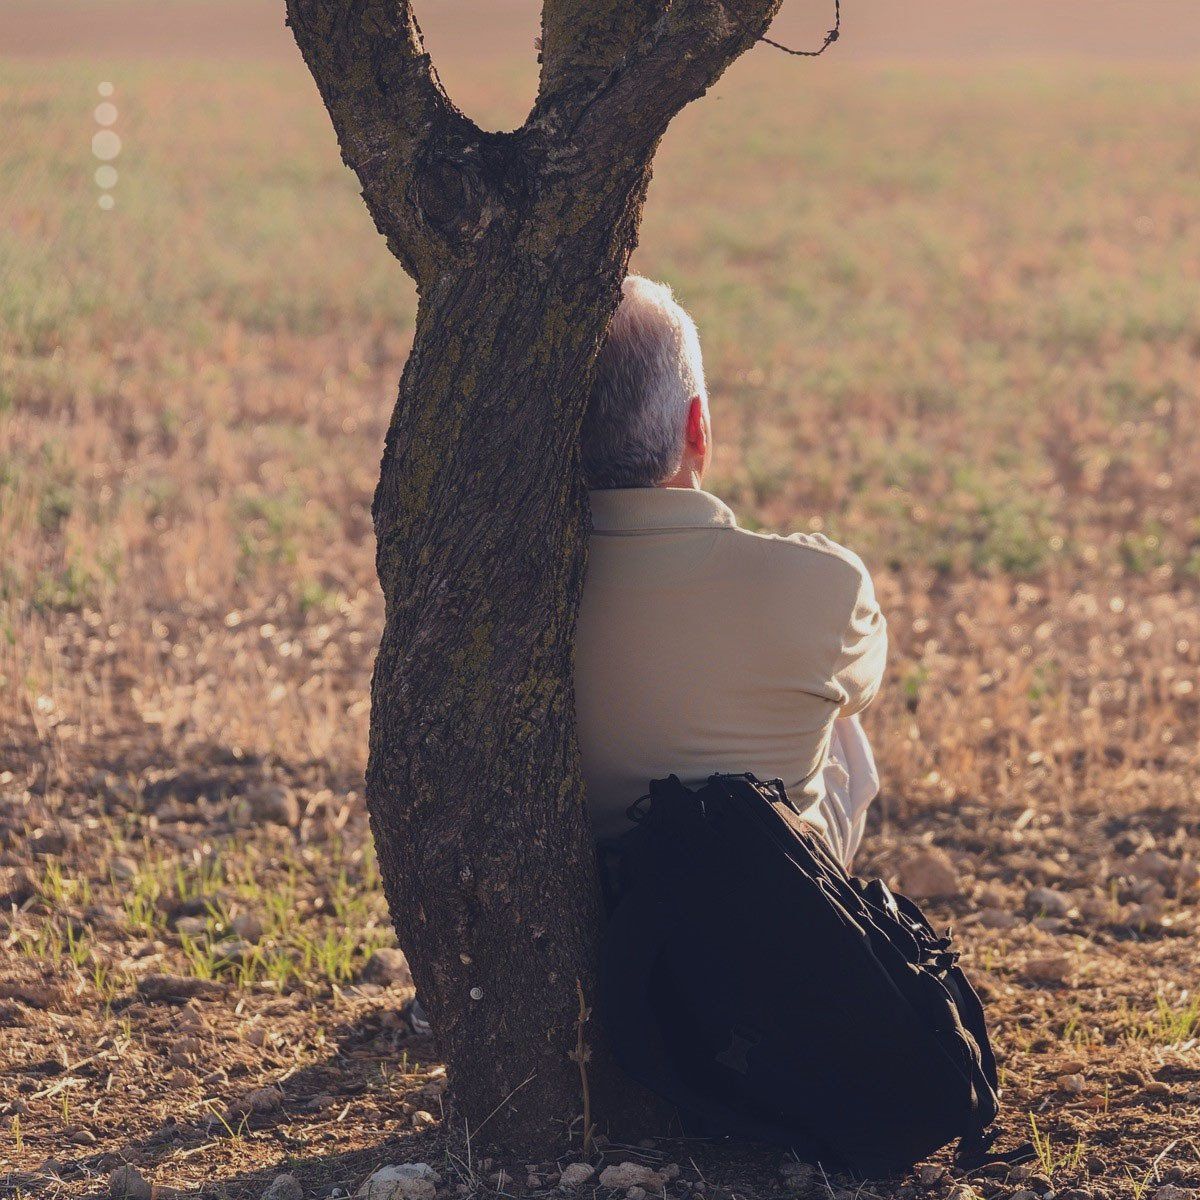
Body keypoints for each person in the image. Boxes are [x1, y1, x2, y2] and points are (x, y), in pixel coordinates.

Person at [575, 277, 886, 868]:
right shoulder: (826, 585)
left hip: (599, 900)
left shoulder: (509, 596)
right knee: (837, 712)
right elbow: (865, 685)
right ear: (698, 426)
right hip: (769, 902)